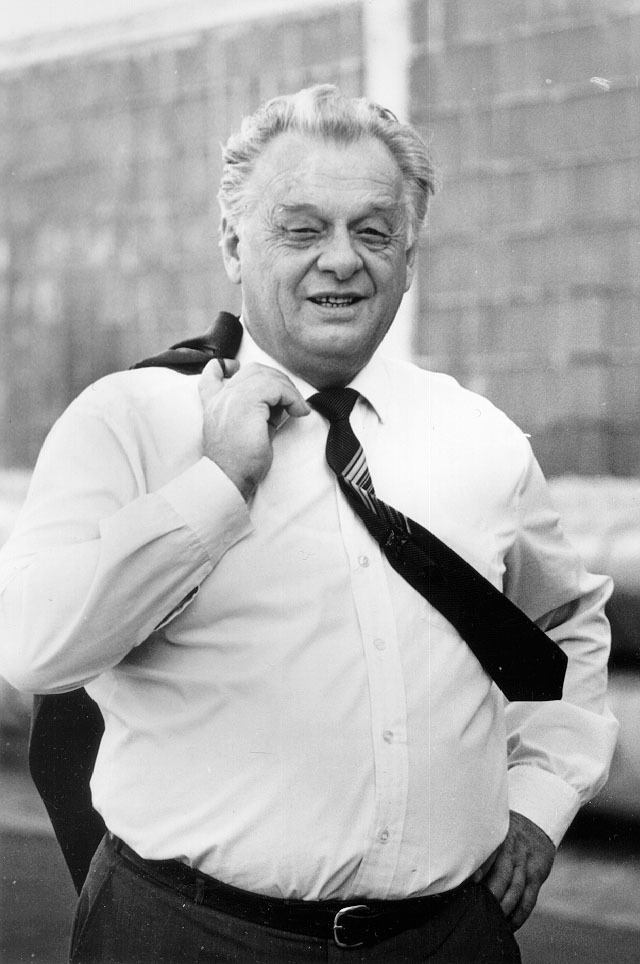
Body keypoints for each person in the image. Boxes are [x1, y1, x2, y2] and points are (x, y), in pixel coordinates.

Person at [0, 85, 618, 963]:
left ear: (410, 256)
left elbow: (566, 625)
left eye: (374, 232)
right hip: (190, 935)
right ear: (233, 245)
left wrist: (541, 801)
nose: (341, 261)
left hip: (446, 940)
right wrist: (216, 486)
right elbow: (33, 648)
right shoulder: (128, 421)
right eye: (301, 230)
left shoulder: (479, 437)